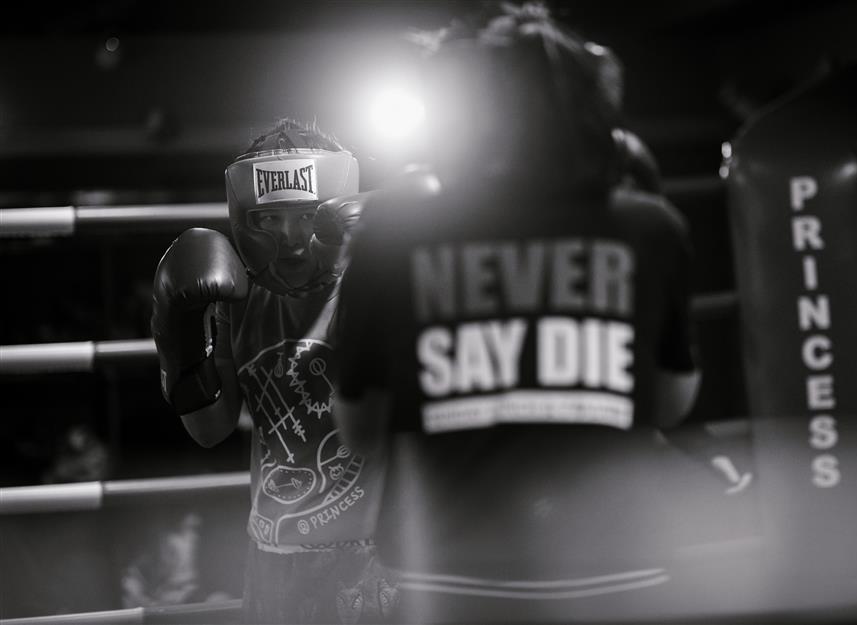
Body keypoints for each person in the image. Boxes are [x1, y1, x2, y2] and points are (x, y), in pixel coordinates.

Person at [332, 4, 704, 622]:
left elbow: (359, 431)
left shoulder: (395, 228)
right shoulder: (650, 228)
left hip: (454, 579)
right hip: (620, 574)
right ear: (593, 118)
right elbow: (671, 403)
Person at [151, 119, 399, 624]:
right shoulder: (236, 296)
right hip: (272, 555)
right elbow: (210, 429)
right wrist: (180, 339)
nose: (290, 239)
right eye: (268, 218)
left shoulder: (375, 282)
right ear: (244, 220)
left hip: (376, 558)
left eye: (309, 214)